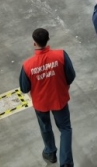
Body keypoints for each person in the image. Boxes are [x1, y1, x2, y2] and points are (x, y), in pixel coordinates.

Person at [20, 28, 76, 167]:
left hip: (40, 103)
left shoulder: (27, 65)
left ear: (34, 43)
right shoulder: (61, 55)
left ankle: (50, 152)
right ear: (48, 39)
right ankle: (66, 163)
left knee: (45, 127)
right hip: (59, 98)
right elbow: (71, 75)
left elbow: (24, 88)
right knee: (65, 129)